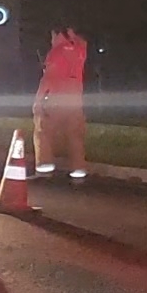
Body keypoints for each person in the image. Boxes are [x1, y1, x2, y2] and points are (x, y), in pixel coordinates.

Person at [33, 25, 88, 180]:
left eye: (52, 36)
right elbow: (83, 44)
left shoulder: (56, 52)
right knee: (75, 136)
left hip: (56, 99)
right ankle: (79, 171)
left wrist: (38, 101)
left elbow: (48, 79)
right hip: (75, 100)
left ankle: (44, 169)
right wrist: (72, 36)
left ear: (56, 34)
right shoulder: (79, 51)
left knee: (43, 131)